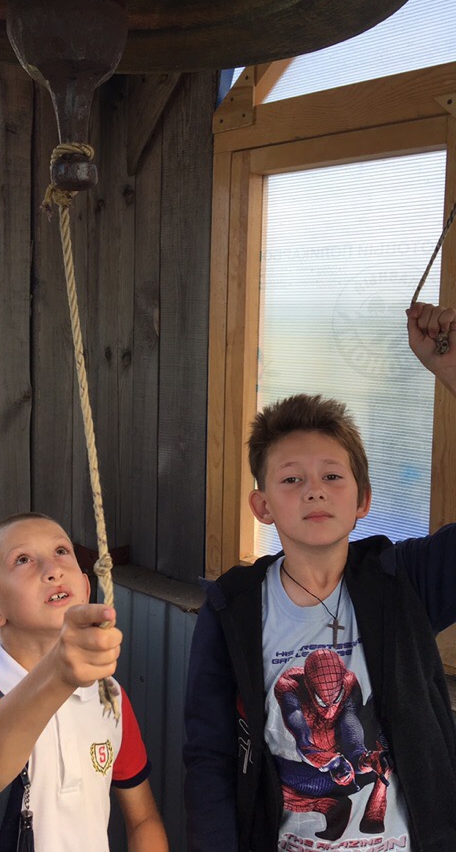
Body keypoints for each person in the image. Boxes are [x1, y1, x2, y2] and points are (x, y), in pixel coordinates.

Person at [183, 302, 456, 852]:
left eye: (333, 476)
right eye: (291, 479)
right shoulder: (233, 609)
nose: (314, 490)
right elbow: (209, 755)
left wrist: (451, 371)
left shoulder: (404, 583)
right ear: (262, 506)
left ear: (363, 500)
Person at [0, 512, 169, 852]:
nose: (53, 570)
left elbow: (143, 819)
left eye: (62, 551)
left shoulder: (109, 695)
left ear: (86, 586)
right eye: (23, 559)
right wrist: (58, 673)